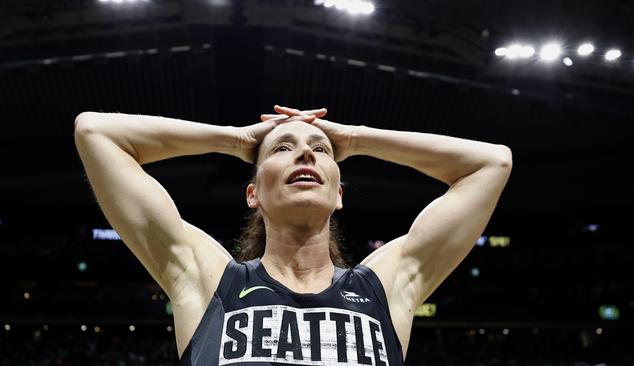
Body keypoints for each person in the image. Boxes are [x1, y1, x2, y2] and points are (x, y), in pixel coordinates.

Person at [74, 105, 512, 365]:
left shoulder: (385, 286)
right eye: (283, 148)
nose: (305, 151)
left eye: (321, 150)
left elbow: (491, 163)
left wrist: (356, 139)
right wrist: (236, 139)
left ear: (339, 193)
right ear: (253, 194)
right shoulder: (213, 284)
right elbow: (96, 132)